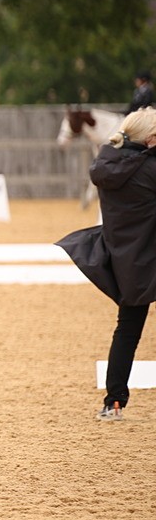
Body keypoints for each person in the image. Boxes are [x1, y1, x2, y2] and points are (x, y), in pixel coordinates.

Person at [56, 107, 156, 421]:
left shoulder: (106, 165)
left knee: (126, 331)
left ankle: (114, 401)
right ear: (150, 139)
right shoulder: (150, 168)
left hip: (128, 260)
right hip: (151, 252)